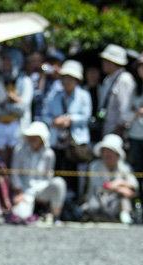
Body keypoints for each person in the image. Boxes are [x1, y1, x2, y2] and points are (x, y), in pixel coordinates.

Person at [41, 59, 91, 195]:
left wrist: (70, 120)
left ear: (77, 80)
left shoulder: (84, 96)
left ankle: (76, 199)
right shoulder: (54, 95)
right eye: (65, 78)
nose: (67, 82)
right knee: (57, 172)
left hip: (76, 142)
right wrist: (55, 121)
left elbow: (86, 116)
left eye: (71, 79)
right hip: (57, 141)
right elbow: (44, 114)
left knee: (75, 175)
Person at [9, 121, 66, 224]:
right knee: (20, 216)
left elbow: (49, 176)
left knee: (59, 183)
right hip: (24, 190)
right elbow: (14, 173)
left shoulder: (49, 154)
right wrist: (18, 191)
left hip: (42, 189)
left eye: (36, 136)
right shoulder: (19, 150)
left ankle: (55, 216)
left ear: (42, 139)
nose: (32, 139)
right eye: (31, 136)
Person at [0, 47, 33, 166]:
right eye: (4, 60)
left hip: (18, 126)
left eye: (8, 60)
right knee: (2, 161)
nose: (5, 64)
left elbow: (22, 109)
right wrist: (11, 103)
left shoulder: (25, 81)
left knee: (16, 160)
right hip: (0, 126)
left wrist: (5, 105)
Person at [80, 133, 138, 223]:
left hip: (116, 202)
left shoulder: (125, 167)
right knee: (93, 206)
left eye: (111, 151)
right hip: (97, 200)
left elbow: (134, 186)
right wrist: (119, 186)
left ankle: (126, 218)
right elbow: (99, 186)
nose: (107, 154)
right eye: (105, 151)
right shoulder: (94, 166)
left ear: (117, 154)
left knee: (124, 198)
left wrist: (120, 182)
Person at [96, 44, 135, 138]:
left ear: (114, 62)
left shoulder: (124, 80)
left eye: (106, 61)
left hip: (118, 132)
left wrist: (119, 130)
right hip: (107, 129)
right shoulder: (107, 79)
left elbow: (125, 110)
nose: (103, 63)